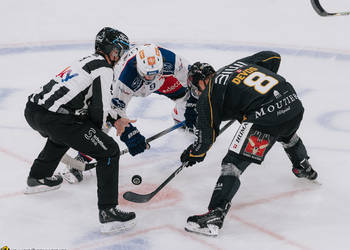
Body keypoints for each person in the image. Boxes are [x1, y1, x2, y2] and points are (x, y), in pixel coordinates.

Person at [180, 51, 318, 236]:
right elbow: (273, 57)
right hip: (293, 104)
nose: (198, 92)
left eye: (196, 88)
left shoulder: (208, 94)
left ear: (201, 82)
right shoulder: (237, 65)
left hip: (266, 118)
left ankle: (215, 214)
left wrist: (194, 153)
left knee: (232, 164)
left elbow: (206, 139)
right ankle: (302, 165)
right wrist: (250, 98)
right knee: (285, 131)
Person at [24, 27, 137, 234]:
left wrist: (116, 119)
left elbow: (90, 105)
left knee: (67, 132)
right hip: (55, 118)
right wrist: (101, 135)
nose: (119, 56)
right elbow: (99, 110)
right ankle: (108, 211)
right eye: (118, 50)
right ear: (109, 49)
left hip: (34, 111)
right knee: (109, 150)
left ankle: (38, 178)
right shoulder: (104, 68)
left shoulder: (87, 61)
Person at [64, 43, 199, 183]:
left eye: (153, 74)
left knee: (187, 96)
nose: (150, 78)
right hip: (132, 86)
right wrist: (131, 135)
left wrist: (192, 105)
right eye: (147, 75)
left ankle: (180, 117)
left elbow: (192, 78)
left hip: (163, 79)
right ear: (138, 67)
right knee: (105, 120)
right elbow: (115, 111)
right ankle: (81, 157)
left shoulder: (171, 60)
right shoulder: (126, 77)